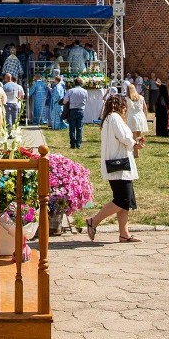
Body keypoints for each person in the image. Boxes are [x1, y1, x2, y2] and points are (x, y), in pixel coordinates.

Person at [86, 94, 142, 243]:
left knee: (126, 201)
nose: (125, 110)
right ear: (121, 106)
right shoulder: (115, 118)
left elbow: (122, 139)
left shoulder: (108, 119)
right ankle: (93, 221)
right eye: (125, 107)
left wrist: (133, 143)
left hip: (118, 163)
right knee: (122, 199)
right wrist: (134, 143)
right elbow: (124, 137)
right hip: (119, 165)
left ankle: (124, 234)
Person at [62, 78, 88, 149]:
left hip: (72, 110)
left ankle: (73, 144)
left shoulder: (70, 91)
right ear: (81, 83)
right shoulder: (85, 91)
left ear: (74, 83)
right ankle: (78, 144)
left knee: (72, 128)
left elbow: (65, 101)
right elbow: (86, 100)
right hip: (81, 110)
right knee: (79, 128)